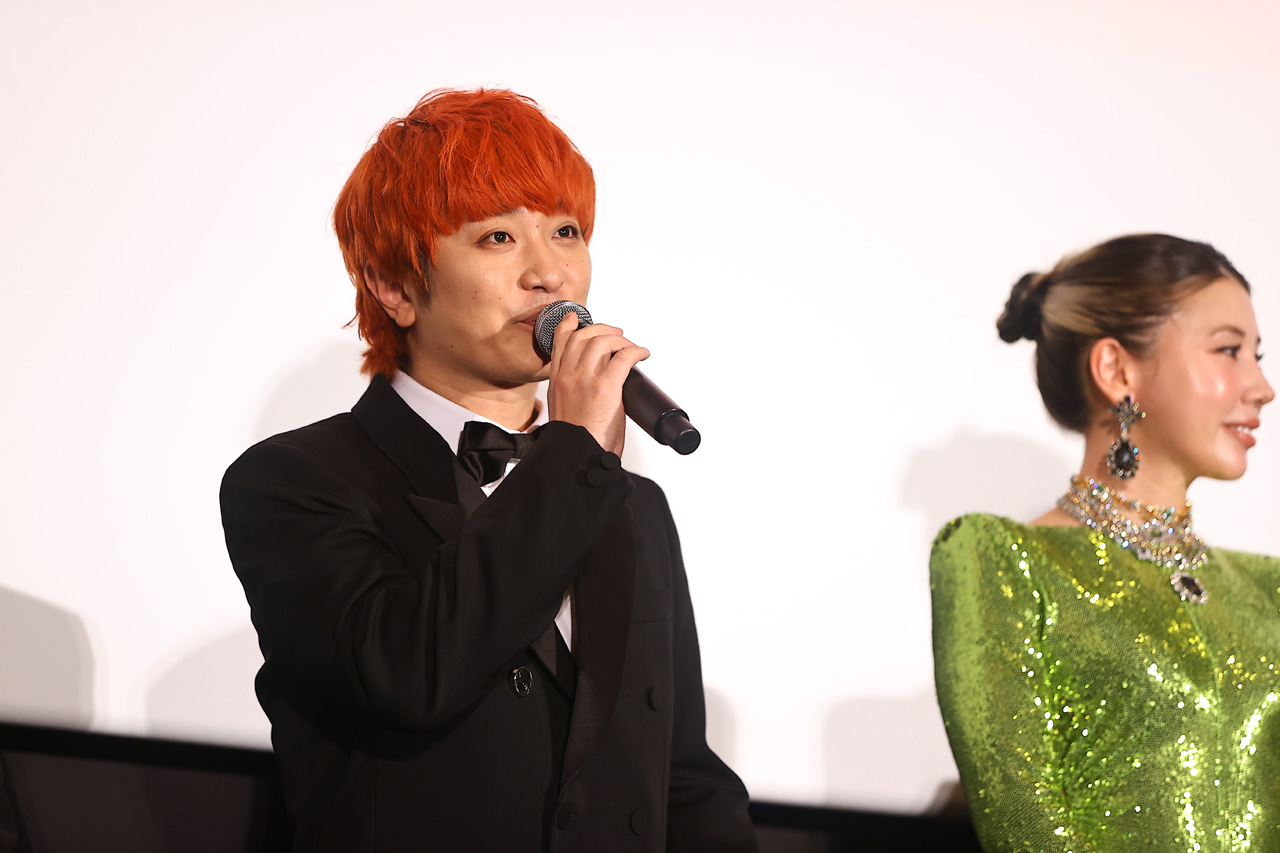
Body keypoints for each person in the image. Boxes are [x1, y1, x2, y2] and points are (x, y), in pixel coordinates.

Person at [220, 88, 757, 852]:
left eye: (566, 232)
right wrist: (574, 452)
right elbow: (407, 674)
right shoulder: (296, 480)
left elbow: (680, 775)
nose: (549, 273)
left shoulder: (631, 504)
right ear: (394, 286)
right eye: (498, 237)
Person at [930, 234, 1279, 852]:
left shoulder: (1267, 588)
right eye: (1229, 351)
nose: (1261, 387)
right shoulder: (1002, 559)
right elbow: (1027, 827)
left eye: (1256, 355)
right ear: (1117, 370)